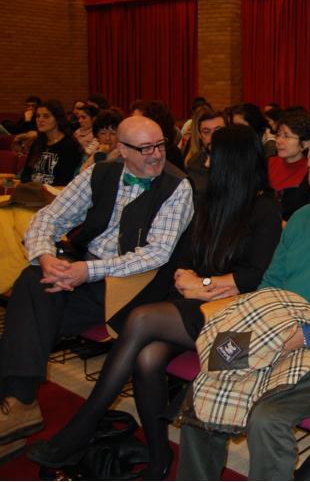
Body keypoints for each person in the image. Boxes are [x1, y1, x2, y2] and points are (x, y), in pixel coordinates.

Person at [26, 125, 282, 478]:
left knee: (142, 320)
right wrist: (186, 278)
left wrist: (202, 283)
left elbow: (253, 277)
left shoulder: (265, 208)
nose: (205, 160)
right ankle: (160, 457)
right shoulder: (207, 198)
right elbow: (184, 254)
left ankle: (81, 428)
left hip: (234, 317)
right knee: (147, 357)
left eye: (212, 155)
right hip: (196, 302)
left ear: (231, 163)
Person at [178, 128, 310, 480]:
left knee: (267, 417)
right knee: (205, 388)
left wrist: (308, 335)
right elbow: (270, 286)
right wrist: (259, 326)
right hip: (276, 328)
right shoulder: (300, 219)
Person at [0, 115, 194, 461]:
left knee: (27, 311)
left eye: (161, 145)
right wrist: (46, 257)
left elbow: (155, 255)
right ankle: (21, 401)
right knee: (34, 279)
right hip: (82, 270)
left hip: (127, 285)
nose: (156, 155)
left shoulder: (176, 186)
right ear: (121, 149)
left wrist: (86, 272)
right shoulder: (101, 172)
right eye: (145, 148)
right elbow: (48, 216)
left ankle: (18, 402)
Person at [19, 100, 83, 186]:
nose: (40, 120)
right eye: (38, 116)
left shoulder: (69, 146)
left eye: (46, 116)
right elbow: (26, 174)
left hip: (54, 195)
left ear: (57, 119)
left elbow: (64, 180)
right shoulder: (37, 143)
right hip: (32, 193)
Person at [268, 112, 310, 222]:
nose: (279, 141)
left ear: (305, 143)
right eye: (278, 135)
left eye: (286, 136)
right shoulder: (268, 162)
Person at [185, 110, 226, 202]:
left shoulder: (240, 160)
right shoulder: (195, 163)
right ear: (200, 135)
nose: (213, 137)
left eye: (218, 131)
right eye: (206, 132)